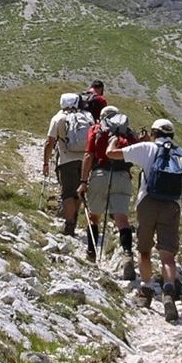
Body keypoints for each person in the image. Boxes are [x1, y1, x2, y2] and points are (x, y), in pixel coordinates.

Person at [107, 117, 182, 314]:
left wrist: (114, 139)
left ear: (154, 133)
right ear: (172, 135)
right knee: (167, 255)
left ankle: (146, 290)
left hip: (147, 202)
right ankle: (168, 292)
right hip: (172, 205)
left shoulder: (147, 148)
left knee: (145, 250)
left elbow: (111, 154)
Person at [78, 106, 138, 267]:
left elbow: (88, 155)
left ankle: (91, 254)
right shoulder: (128, 132)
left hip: (100, 174)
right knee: (122, 218)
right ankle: (127, 255)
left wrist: (83, 181)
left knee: (94, 216)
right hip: (123, 176)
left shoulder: (97, 129)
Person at [43, 92, 93, 235]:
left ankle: (69, 226)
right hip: (85, 159)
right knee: (79, 191)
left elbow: (49, 142)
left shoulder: (58, 118)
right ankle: (74, 220)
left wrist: (46, 163)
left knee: (67, 194)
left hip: (66, 160)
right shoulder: (87, 116)